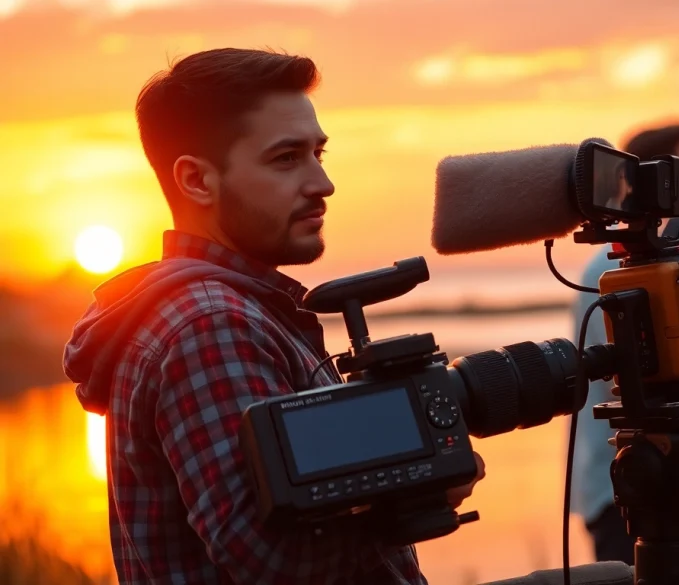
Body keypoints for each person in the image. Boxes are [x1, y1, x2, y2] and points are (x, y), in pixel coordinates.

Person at [62, 48, 484, 585]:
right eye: (286, 158)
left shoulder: (228, 308)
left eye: (318, 155)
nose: (322, 184)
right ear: (195, 180)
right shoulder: (210, 325)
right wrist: (419, 499)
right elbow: (270, 559)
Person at [569, 123, 679, 565]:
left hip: (659, 475)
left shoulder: (665, 258)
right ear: (660, 176)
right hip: (625, 486)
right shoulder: (608, 275)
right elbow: (632, 382)